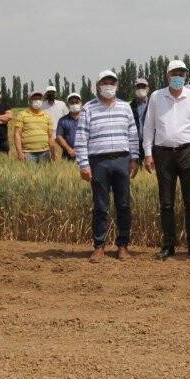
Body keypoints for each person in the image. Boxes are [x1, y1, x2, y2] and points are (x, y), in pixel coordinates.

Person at [142, 60, 190, 259]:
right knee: (166, 202)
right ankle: (168, 245)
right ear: (167, 75)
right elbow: (148, 126)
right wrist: (147, 153)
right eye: (174, 73)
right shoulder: (156, 96)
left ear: (185, 76)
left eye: (181, 73)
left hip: (188, 152)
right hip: (163, 154)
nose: (178, 77)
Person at [75, 70, 140, 263]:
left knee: (124, 205)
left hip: (122, 159)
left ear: (117, 86)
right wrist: (84, 164)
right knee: (100, 206)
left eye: (112, 82)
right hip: (99, 162)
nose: (108, 86)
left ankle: (122, 246)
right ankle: (99, 246)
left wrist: (134, 158)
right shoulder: (88, 108)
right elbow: (81, 138)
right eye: (105, 82)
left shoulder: (125, 107)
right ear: (98, 86)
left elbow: (133, 135)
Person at [14, 90, 55, 163]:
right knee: (28, 174)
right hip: (28, 153)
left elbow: (51, 136)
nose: (37, 101)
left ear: (42, 101)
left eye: (39, 99)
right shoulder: (22, 115)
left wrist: (53, 153)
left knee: (45, 174)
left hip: (45, 153)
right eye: (34, 99)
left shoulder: (47, 117)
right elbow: (17, 134)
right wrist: (19, 152)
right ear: (29, 101)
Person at [54, 93, 83, 161]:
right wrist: (69, 149)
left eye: (77, 102)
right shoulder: (63, 120)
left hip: (85, 154)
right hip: (68, 155)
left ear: (81, 103)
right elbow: (59, 137)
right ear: (67, 105)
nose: (74, 104)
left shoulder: (86, 118)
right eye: (72, 103)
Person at [130, 77, 150, 158]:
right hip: (136, 144)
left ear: (148, 89)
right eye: (138, 87)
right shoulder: (130, 106)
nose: (141, 89)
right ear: (135, 89)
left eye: (143, 86)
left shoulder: (153, 103)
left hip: (151, 144)